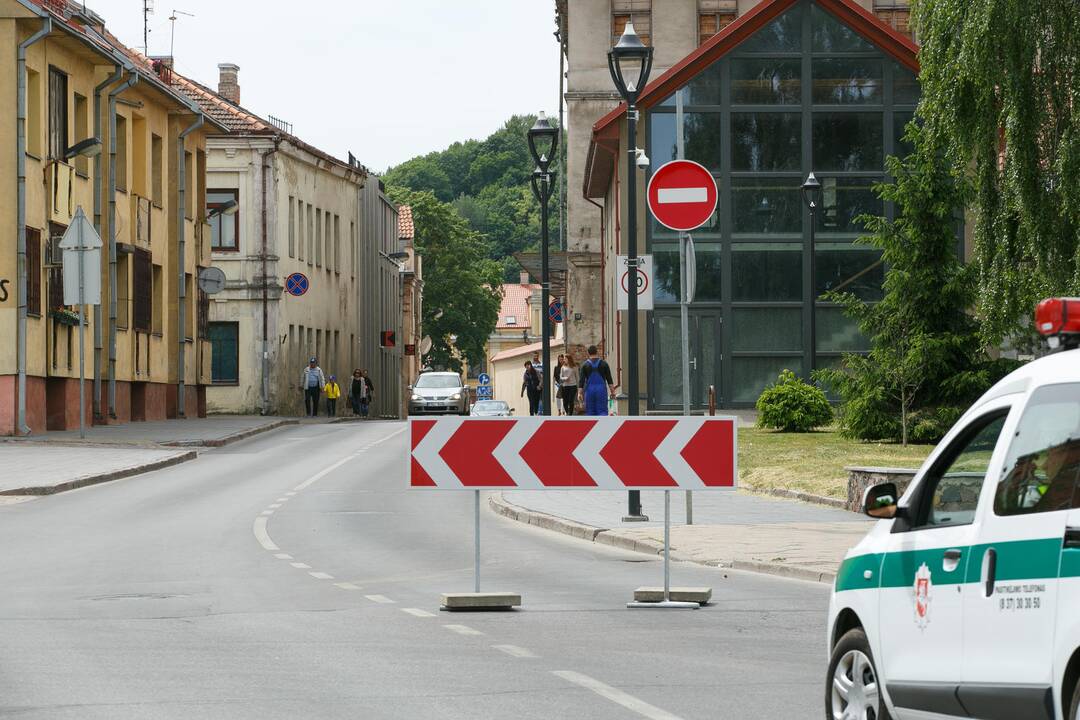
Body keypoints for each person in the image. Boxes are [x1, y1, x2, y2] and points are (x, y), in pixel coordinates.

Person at [578, 345, 615, 416]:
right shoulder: (604, 364)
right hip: (601, 390)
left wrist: (579, 393)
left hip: (589, 391)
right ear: (597, 352)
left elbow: (581, 381)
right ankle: (602, 426)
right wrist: (613, 392)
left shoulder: (585, 365)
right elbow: (609, 380)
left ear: (588, 353)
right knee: (602, 411)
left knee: (590, 412)